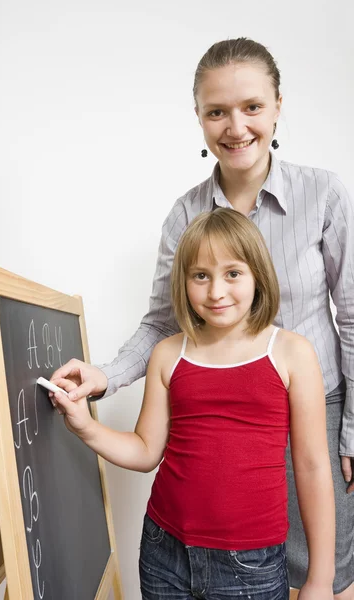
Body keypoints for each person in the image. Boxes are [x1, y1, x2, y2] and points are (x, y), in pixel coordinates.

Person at [51, 39, 354, 598]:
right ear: (199, 118)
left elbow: (353, 318)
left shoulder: (323, 194)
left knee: (324, 573)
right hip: (212, 428)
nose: (235, 126)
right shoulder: (186, 213)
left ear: (278, 105)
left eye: (252, 107)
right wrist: (107, 375)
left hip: (319, 404)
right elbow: (161, 326)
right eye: (217, 111)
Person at [51, 208, 335, 600]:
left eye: (232, 273)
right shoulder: (168, 353)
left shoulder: (291, 353)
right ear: (184, 282)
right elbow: (147, 450)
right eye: (201, 275)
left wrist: (320, 578)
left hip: (251, 564)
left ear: (258, 276)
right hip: (164, 551)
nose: (216, 291)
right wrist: (85, 427)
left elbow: (313, 466)